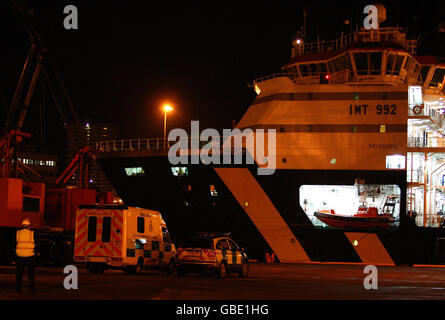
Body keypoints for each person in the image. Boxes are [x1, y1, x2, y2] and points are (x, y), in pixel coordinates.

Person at [15, 218, 36, 293]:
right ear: (28, 226)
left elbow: (14, 244)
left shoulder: (18, 233)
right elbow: (36, 245)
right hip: (30, 256)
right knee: (31, 274)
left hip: (19, 256)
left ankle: (18, 289)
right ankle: (31, 288)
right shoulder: (32, 233)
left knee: (19, 273)